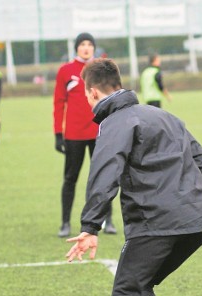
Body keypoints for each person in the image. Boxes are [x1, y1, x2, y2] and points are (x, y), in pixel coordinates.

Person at [65, 58, 202, 296]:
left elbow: (104, 172)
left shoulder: (114, 122)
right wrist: (191, 205)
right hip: (196, 223)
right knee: (142, 281)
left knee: (124, 291)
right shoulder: (163, 116)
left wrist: (90, 226)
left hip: (156, 222)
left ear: (92, 91)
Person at [53, 32, 116, 238]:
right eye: (82, 44)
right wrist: (58, 133)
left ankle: (108, 220)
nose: (86, 47)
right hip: (73, 135)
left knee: (103, 178)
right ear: (77, 48)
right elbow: (58, 103)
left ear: (94, 48)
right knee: (70, 178)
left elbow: (112, 98)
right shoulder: (66, 71)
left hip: (99, 132)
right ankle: (64, 223)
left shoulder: (101, 70)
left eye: (89, 44)